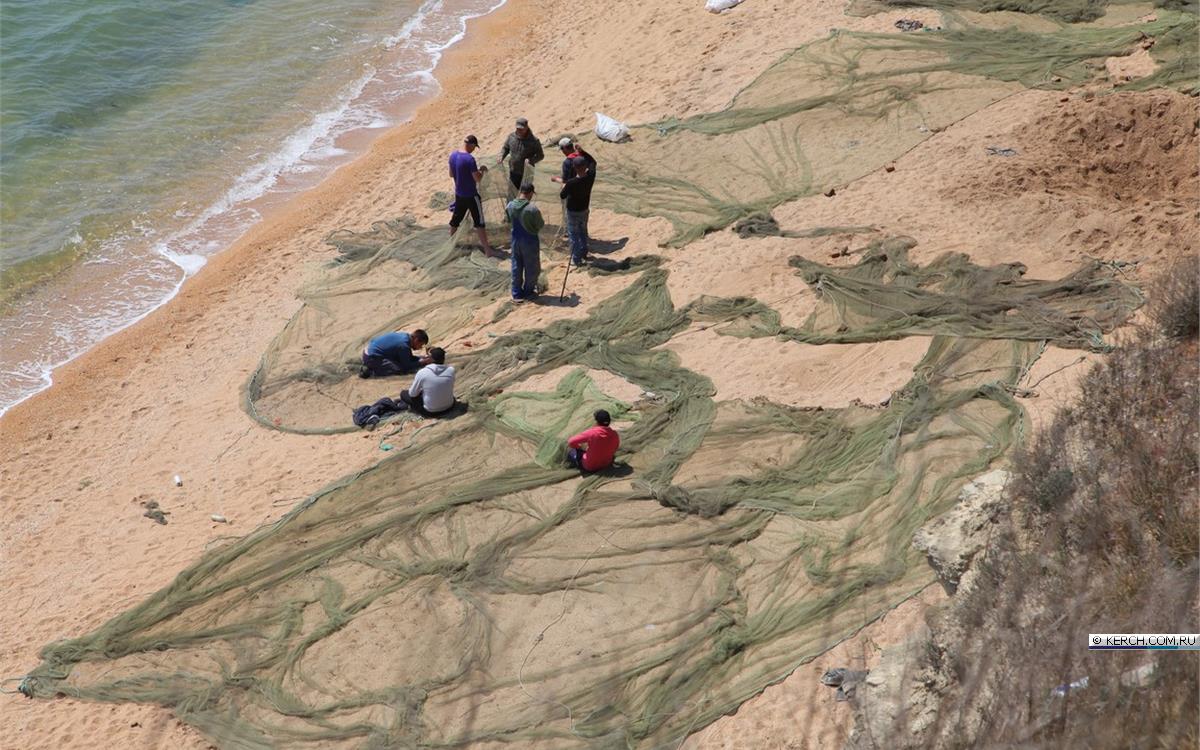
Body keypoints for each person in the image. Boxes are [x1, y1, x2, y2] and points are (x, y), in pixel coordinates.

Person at [448, 135, 495, 257]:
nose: (474, 150)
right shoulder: (470, 159)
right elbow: (477, 179)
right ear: (472, 145)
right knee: (479, 222)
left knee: (455, 221)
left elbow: (451, 174)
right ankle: (487, 250)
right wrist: (482, 170)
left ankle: (451, 244)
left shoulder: (452, 156)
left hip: (459, 195)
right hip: (471, 196)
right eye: (475, 147)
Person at [506, 181, 545, 302]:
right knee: (532, 267)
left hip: (515, 239)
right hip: (530, 240)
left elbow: (508, 220)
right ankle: (528, 291)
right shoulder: (532, 209)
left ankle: (516, 293)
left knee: (516, 266)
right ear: (530, 193)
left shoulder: (510, 206)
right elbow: (540, 224)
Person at [558, 149, 596, 266]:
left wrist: (563, 184)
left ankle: (576, 259)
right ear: (585, 167)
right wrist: (583, 151)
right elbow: (593, 163)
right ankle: (584, 251)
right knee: (583, 231)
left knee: (573, 234)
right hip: (584, 209)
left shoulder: (571, 183)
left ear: (574, 168)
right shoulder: (590, 177)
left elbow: (562, 195)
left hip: (572, 211)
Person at [400, 347, 456, 416]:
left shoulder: (423, 372)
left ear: (430, 359)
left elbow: (412, 394)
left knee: (403, 394)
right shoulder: (451, 370)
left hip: (430, 412)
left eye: (428, 356)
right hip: (449, 407)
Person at [498, 117, 545, 196]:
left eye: (521, 129)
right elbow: (505, 148)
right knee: (512, 194)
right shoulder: (511, 137)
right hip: (513, 171)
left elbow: (540, 155)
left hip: (527, 173)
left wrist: (531, 160)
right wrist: (501, 156)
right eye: (517, 128)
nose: (519, 131)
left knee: (525, 195)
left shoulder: (534, 141)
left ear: (526, 128)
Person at [360, 329, 430, 378]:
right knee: (399, 369)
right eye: (421, 344)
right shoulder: (404, 345)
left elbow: (408, 357)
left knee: (398, 360)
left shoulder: (404, 336)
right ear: (416, 340)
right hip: (371, 357)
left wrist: (422, 358)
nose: (420, 347)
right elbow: (407, 365)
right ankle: (370, 371)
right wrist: (422, 362)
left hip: (369, 350)